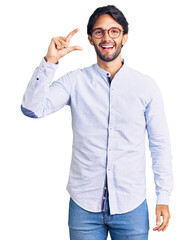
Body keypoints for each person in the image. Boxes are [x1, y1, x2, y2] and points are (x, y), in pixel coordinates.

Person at [21, 5, 173, 240]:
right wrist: (50, 61)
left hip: (131, 206)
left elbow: (159, 144)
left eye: (114, 31)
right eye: (99, 32)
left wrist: (163, 197)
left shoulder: (146, 86)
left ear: (125, 37)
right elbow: (32, 109)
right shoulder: (75, 81)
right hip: (84, 206)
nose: (107, 38)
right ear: (91, 39)